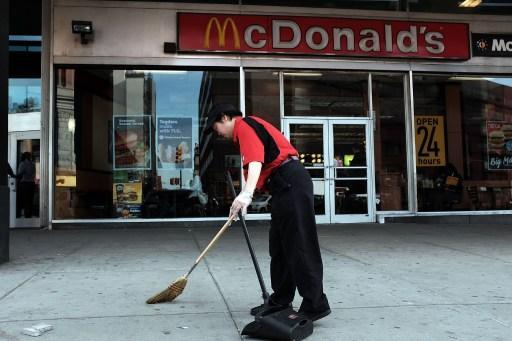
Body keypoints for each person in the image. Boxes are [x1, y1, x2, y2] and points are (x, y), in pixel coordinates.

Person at [205, 103, 331, 322]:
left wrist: (246, 194)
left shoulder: (244, 125)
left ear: (225, 117)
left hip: (290, 180)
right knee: (280, 246)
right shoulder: (245, 130)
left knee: (299, 243)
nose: (216, 132)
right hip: (283, 185)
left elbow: (255, 160)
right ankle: (280, 300)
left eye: (215, 126)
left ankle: (315, 304)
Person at [17, 152, 36, 218]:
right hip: (31, 183)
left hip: (24, 184)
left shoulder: (22, 164)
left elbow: (20, 174)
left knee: (25, 200)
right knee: (30, 200)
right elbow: (33, 174)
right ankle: (29, 215)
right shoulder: (33, 164)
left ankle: (25, 215)